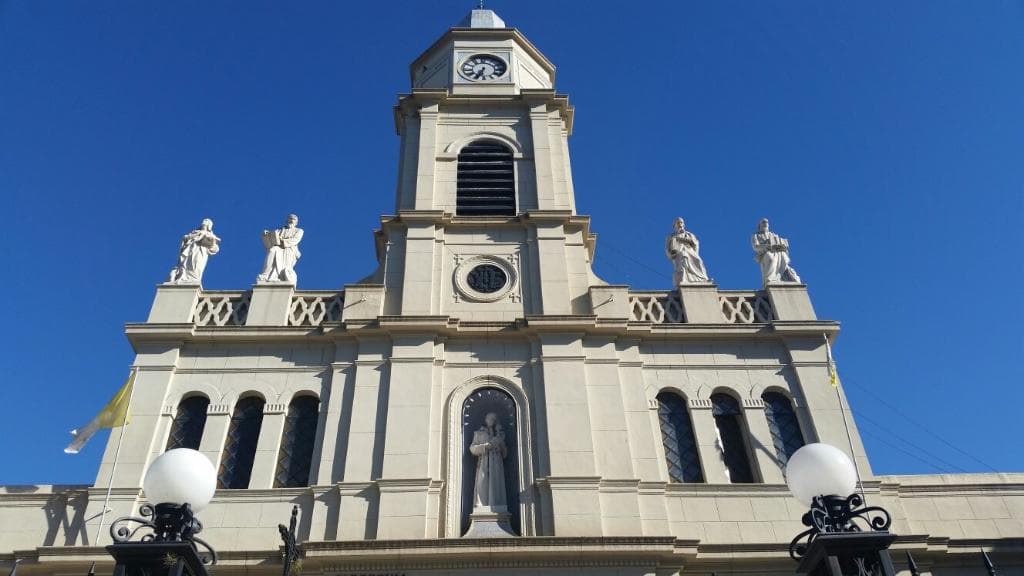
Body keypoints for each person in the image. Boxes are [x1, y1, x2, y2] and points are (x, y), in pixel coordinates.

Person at [469, 412, 508, 510]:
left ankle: (497, 505)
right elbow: (472, 448)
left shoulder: (500, 435)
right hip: (484, 461)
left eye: (493, 419)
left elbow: (505, 453)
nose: (491, 421)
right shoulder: (479, 433)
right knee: (482, 483)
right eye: (489, 419)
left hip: (496, 463)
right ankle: (481, 506)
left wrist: (500, 446)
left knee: (496, 485)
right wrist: (485, 447)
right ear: (485, 420)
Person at [167, 218, 220, 285]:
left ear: (209, 225)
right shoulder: (194, 232)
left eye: (206, 221)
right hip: (190, 250)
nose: (204, 222)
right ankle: (183, 277)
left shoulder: (211, 235)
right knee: (184, 265)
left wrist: (211, 240)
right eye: (204, 220)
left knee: (196, 266)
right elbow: (185, 239)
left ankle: (192, 279)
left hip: (200, 251)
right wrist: (190, 237)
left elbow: (215, 249)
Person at [752, 218, 801, 285]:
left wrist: (782, 246)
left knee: (784, 257)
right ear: (760, 225)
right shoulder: (756, 235)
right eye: (763, 223)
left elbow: (779, 242)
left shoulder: (773, 235)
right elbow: (755, 246)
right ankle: (770, 278)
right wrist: (767, 245)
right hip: (764, 252)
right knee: (770, 258)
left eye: (766, 223)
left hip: (777, 251)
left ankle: (782, 276)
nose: (765, 224)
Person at [257, 214, 304, 284]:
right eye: (290, 218)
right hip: (278, 247)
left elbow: (295, 239)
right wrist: (266, 234)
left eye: (293, 219)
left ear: (296, 223)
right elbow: (273, 236)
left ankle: (281, 276)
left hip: (289, 248)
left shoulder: (299, 230)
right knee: (272, 250)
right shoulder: (281, 230)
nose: (291, 220)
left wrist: (283, 241)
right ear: (287, 220)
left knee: (285, 265)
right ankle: (265, 275)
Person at [664, 217, 710, 285]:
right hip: (678, 252)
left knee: (699, 261)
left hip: (690, 250)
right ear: (674, 226)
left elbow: (695, 243)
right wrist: (671, 255)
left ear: (684, 225)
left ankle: (702, 279)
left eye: (681, 222)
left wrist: (695, 251)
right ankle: (684, 278)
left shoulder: (689, 234)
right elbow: (667, 247)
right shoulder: (670, 236)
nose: (680, 224)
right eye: (678, 223)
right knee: (683, 260)